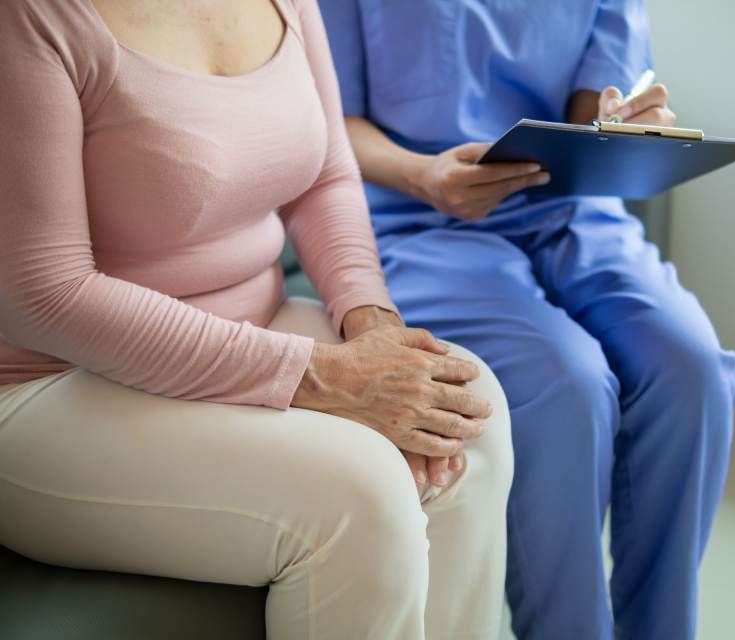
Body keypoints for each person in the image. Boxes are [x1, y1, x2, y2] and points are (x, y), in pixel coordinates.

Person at [0, 1, 513, 638]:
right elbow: (42, 294)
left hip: (256, 322)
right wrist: (325, 376)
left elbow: (325, 175)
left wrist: (373, 328)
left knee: (468, 411)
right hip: (51, 381)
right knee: (361, 492)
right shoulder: (30, 18)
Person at [316, 1, 735, 638]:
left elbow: (593, 107)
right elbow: (326, 115)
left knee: (692, 369)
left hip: (574, 211)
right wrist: (424, 175)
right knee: (564, 383)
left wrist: (620, 123)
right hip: (417, 217)